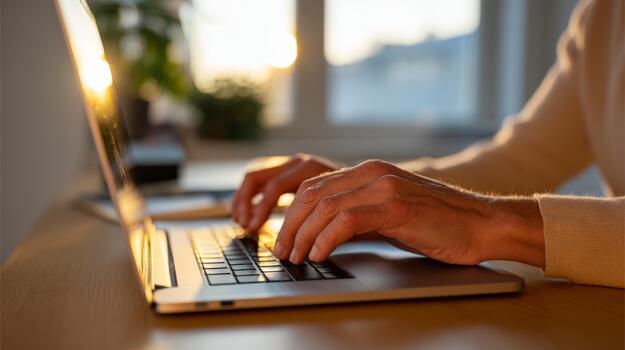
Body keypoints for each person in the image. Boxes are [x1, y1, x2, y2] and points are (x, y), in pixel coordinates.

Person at [230, 0, 624, 288]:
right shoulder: (604, 16)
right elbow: (521, 160)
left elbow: (486, 203)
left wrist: (490, 222)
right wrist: (365, 193)